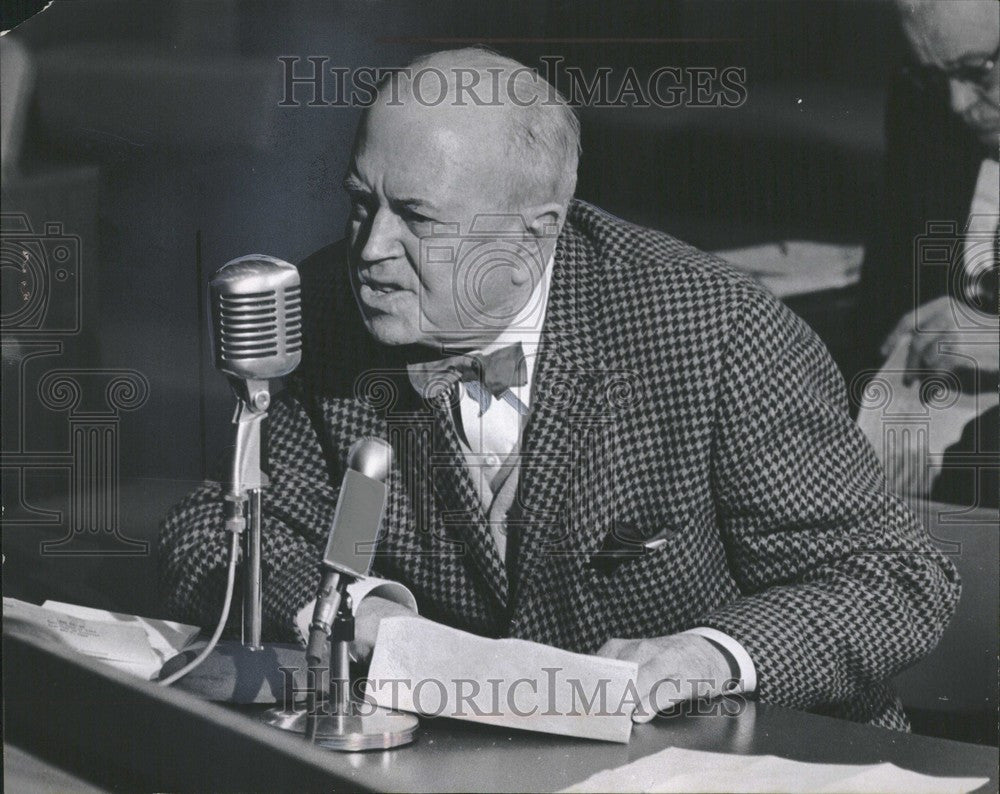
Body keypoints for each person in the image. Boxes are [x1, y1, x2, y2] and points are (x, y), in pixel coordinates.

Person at [161, 47, 959, 730]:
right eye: (361, 204)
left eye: (419, 218)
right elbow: (212, 533)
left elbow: (895, 578)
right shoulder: (328, 313)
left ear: (537, 229)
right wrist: (352, 611)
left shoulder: (715, 332)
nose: (371, 250)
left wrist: (707, 655)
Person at [853, 0, 998, 508]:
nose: (958, 103)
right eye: (937, 75)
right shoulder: (925, 103)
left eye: (978, 71)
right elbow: (888, 305)